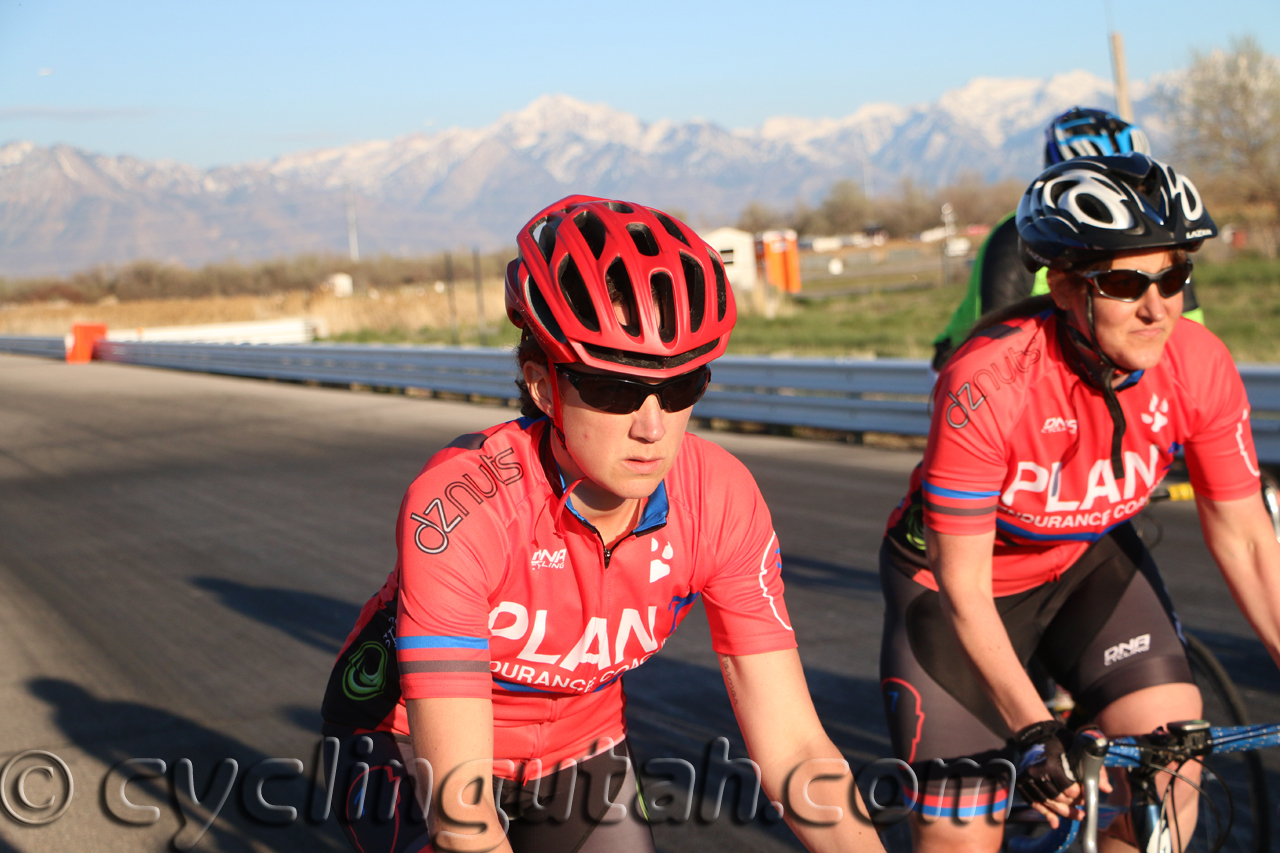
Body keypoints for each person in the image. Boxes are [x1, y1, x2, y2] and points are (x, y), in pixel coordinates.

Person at [320, 195, 886, 853]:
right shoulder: (462, 504)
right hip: (407, 739)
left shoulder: (722, 498)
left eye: (680, 388)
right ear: (541, 385)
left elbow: (796, 747)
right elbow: (462, 820)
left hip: (578, 745)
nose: (652, 425)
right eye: (614, 389)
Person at [878, 153, 1280, 851]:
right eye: (1127, 283)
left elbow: (1247, 536)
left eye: (1175, 277)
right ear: (1064, 287)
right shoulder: (989, 382)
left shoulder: (1199, 362)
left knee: (1173, 763)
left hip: (1083, 566)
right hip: (955, 592)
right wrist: (1035, 730)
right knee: (958, 833)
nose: (1159, 307)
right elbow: (963, 585)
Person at [932, 107, 1204, 372]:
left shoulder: (1156, 235)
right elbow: (997, 342)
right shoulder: (1017, 236)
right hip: (971, 362)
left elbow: (1191, 332)